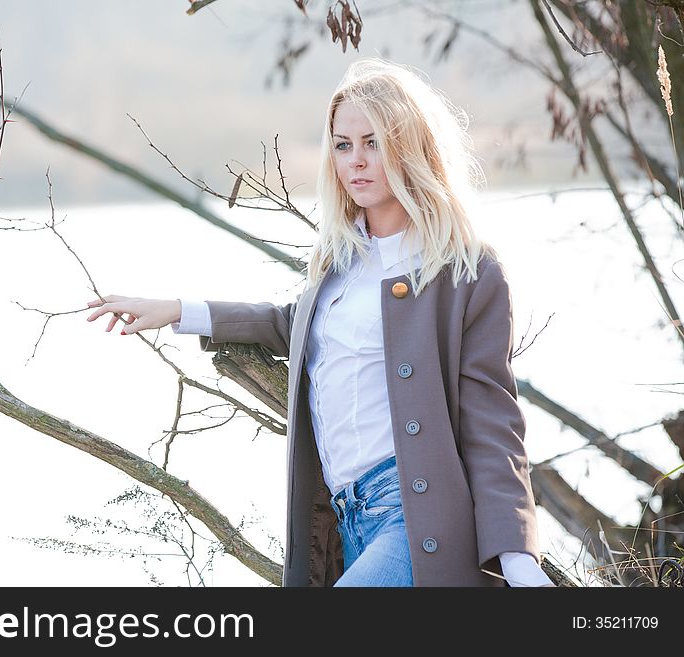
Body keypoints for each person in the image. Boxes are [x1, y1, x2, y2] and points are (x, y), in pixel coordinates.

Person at [85, 58, 555, 587]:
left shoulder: (466, 272)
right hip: (344, 523)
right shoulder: (341, 265)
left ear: (412, 145)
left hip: (415, 520)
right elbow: (296, 327)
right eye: (342, 144)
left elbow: (493, 427)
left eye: (373, 142)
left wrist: (518, 560)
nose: (355, 161)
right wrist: (182, 310)